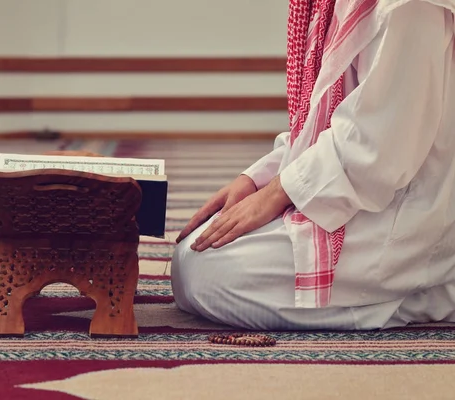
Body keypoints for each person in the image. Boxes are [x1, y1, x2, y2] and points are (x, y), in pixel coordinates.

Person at [171, 0, 455, 331]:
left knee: (209, 276)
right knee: (192, 253)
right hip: (359, 195)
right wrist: (257, 179)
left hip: (406, 215)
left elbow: (380, 148)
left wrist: (278, 192)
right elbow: (326, 122)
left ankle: (428, 294)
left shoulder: (411, 6)